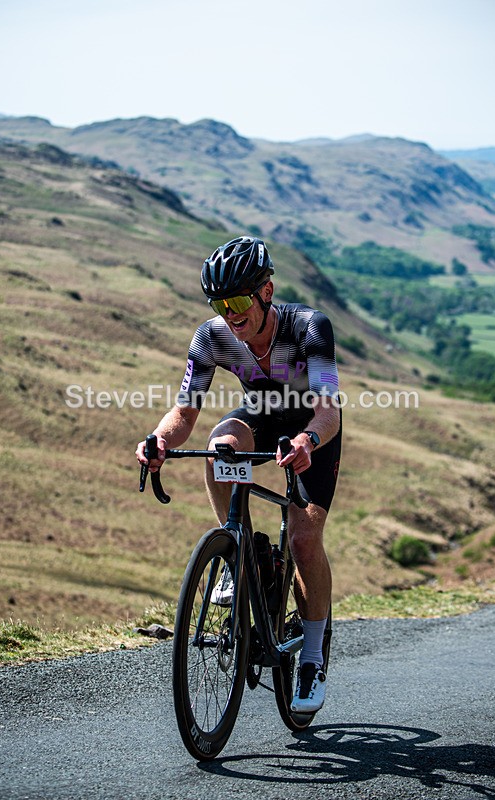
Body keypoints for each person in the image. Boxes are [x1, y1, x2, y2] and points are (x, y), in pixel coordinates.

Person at [136, 236, 341, 714]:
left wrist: (308, 441)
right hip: (262, 414)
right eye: (219, 303)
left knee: (304, 541)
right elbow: (185, 410)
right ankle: (239, 551)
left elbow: (329, 407)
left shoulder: (309, 327)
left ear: (265, 292)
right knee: (218, 446)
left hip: (313, 424)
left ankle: (311, 656)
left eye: (237, 301)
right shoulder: (211, 338)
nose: (230, 313)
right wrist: (160, 440)